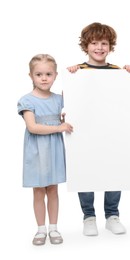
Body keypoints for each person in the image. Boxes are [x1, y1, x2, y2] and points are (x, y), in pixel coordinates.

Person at [67, 22, 130, 236]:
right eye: (94, 43)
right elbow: (69, 103)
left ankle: (112, 215)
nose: (99, 47)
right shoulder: (77, 72)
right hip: (85, 134)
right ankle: (89, 216)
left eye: (104, 43)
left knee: (114, 170)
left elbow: (129, 99)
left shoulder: (117, 71)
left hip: (113, 132)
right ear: (85, 46)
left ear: (110, 46)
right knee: (85, 171)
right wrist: (70, 80)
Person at [18, 54, 73, 246]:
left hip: (54, 150)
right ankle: (40, 229)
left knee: (53, 190)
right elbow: (32, 127)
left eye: (48, 74)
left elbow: (80, 95)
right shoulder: (27, 100)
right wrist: (59, 127)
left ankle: (54, 228)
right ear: (31, 75)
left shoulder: (59, 99)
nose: (44, 78)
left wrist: (64, 122)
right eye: (39, 74)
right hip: (36, 152)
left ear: (55, 75)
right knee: (39, 191)